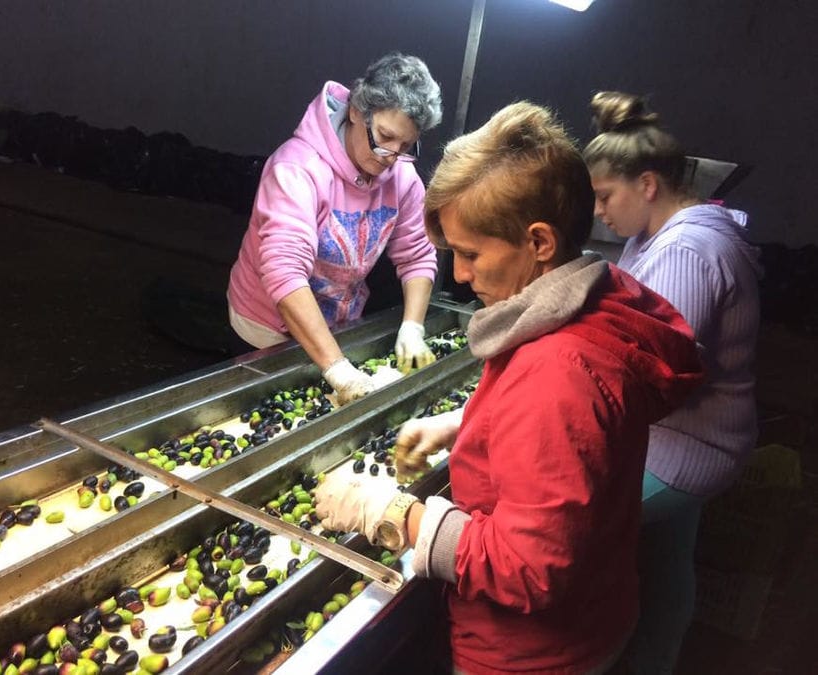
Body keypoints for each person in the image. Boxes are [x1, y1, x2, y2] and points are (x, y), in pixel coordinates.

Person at [314, 101, 704, 674]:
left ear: (540, 242)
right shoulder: (596, 305)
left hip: (532, 655)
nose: (462, 275)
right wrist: (471, 421)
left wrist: (396, 513)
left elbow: (530, 565)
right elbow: (574, 444)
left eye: (470, 254)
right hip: (599, 611)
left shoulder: (555, 372)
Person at [582, 91, 762, 674]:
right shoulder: (656, 237)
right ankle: (654, 657)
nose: (601, 212)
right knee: (666, 566)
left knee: (575, 525)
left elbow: (648, 377)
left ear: (649, 184)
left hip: (688, 446)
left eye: (606, 197)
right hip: (697, 437)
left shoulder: (687, 249)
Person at [227, 52, 443, 404]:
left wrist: (413, 327)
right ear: (357, 111)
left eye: (405, 145)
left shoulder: (401, 177)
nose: (390, 155)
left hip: (339, 324)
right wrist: (338, 370)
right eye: (384, 136)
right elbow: (285, 272)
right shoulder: (297, 170)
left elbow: (417, 254)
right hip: (265, 329)